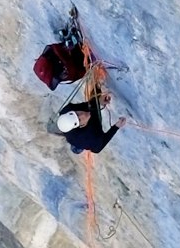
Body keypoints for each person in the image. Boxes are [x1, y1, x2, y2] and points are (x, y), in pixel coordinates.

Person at [34, 13, 118, 156]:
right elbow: (99, 146)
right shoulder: (90, 139)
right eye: (80, 118)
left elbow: (88, 105)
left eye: (77, 114)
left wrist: (98, 100)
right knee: (93, 99)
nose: (82, 115)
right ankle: (73, 52)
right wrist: (116, 126)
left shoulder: (69, 110)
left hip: (67, 121)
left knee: (91, 96)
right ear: (80, 126)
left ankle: (74, 53)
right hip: (83, 130)